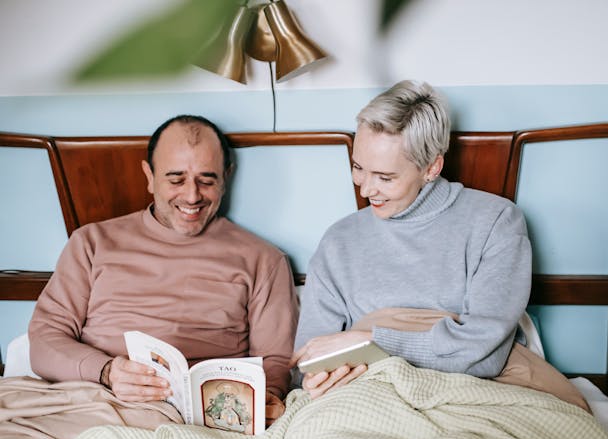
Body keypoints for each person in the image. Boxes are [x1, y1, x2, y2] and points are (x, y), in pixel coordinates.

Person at [28, 114, 298, 419]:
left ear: (227, 176)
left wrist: (266, 397)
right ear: (149, 175)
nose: (192, 195)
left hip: (197, 414)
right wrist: (106, 371)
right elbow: (43, 340)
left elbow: (275, 361)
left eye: (207, 180)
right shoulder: (92, 242)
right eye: (176, 179)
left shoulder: (264, 259)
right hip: (92, 398)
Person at [290, 80, 532, 399]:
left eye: (385, 178)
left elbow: (485, 353)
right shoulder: (339, 241)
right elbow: (309, 355)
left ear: (431, 167)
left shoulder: (496, 222)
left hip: (468, 396)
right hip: (363, 400)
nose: (365, 190)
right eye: (358, 168)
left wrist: (371, 340)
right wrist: (314, 377)